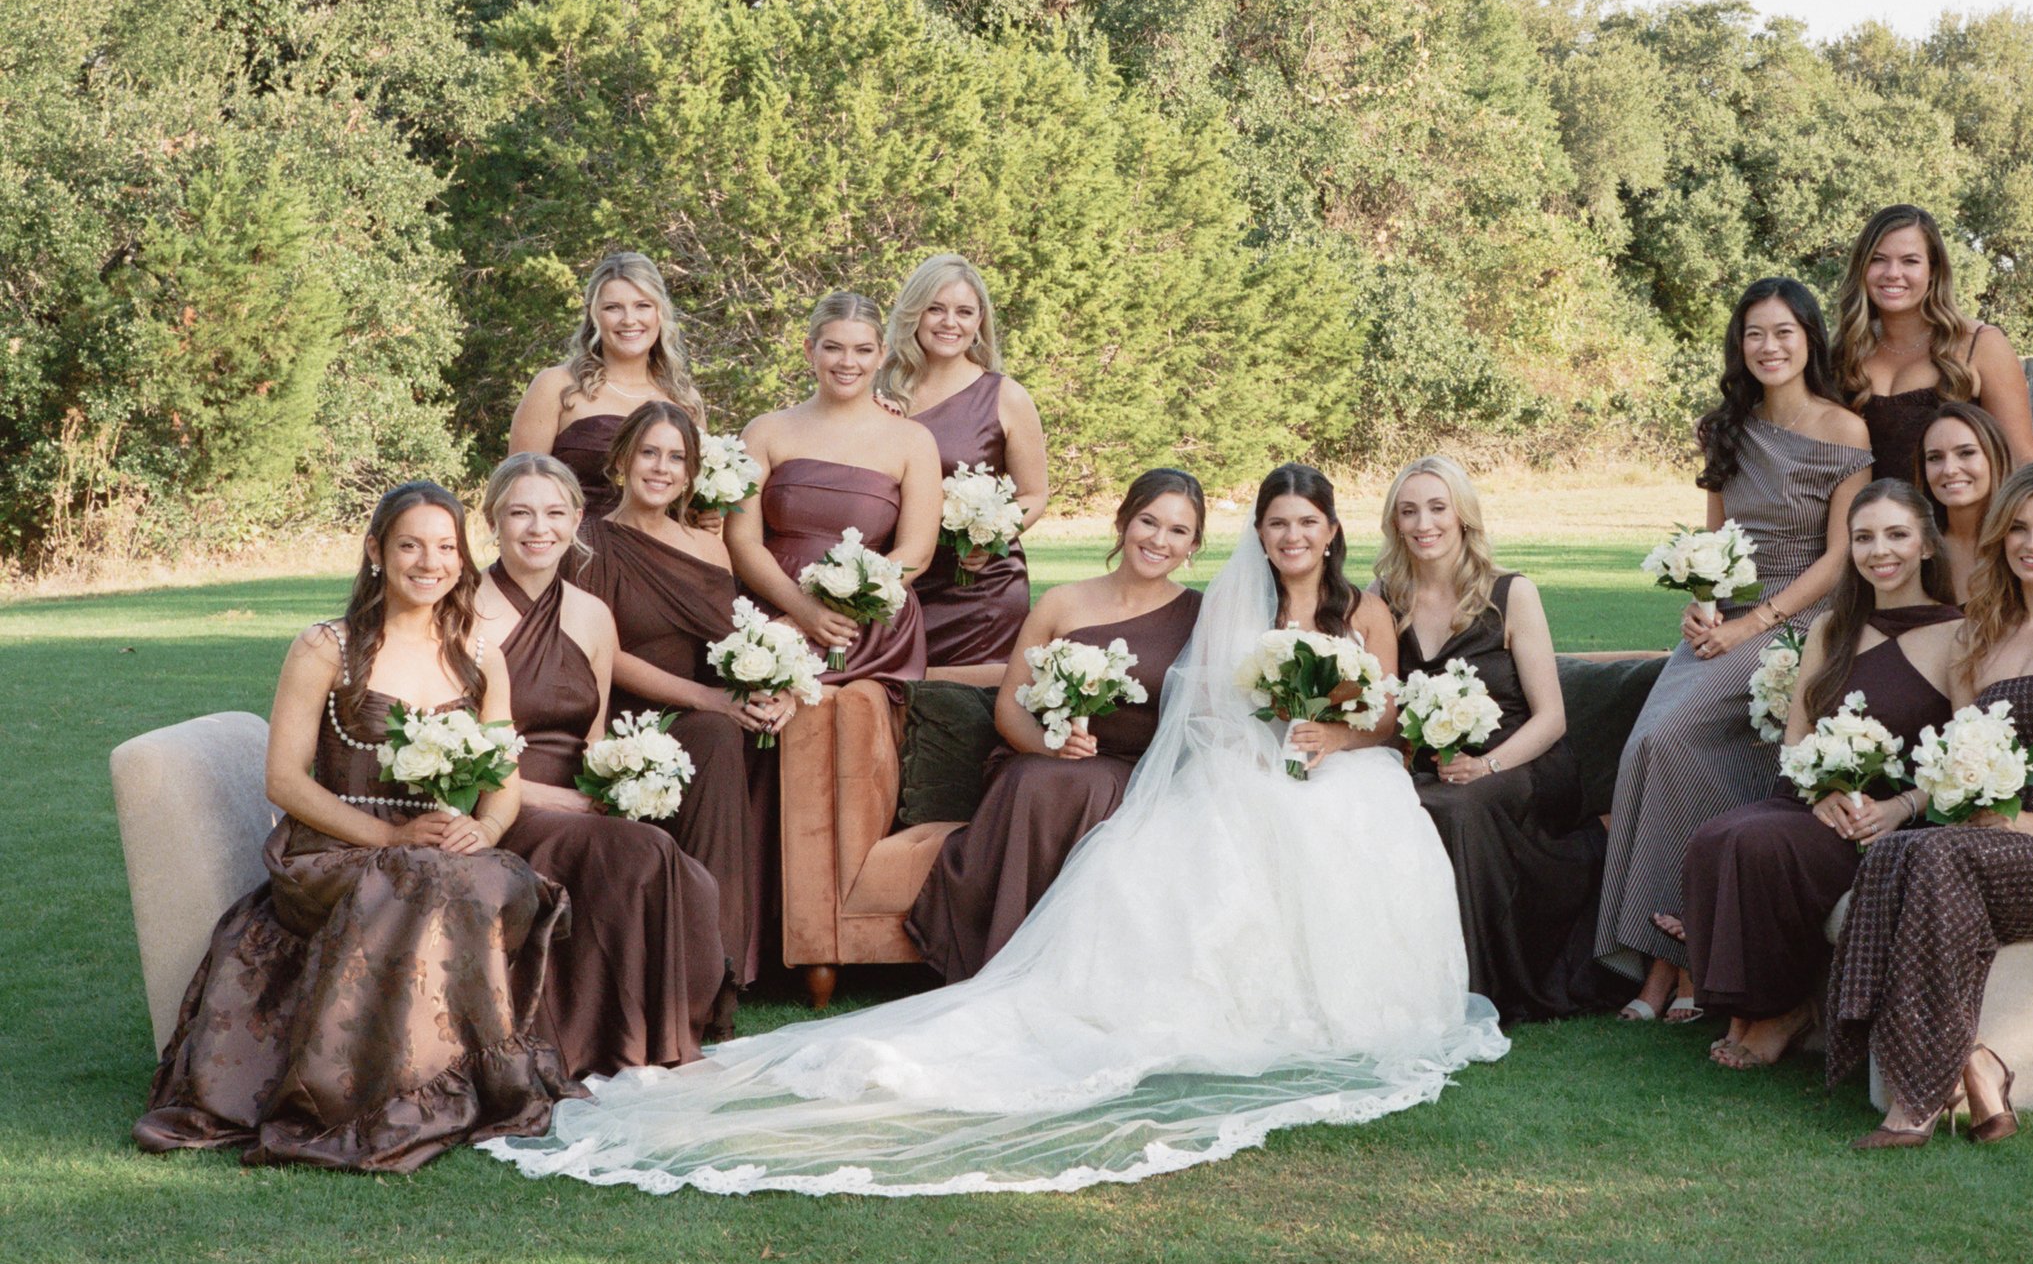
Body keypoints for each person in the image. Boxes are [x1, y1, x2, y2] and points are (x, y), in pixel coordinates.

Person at [480, 463, 1506, 1197]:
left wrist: (1322, 734)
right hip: (1232, 767)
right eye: (1276, 523)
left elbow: (1377, 710)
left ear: (1329, 531)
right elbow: (1192, 706)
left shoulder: (1356, 608)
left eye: (1305, 524)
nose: (1291, 537)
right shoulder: (1214, 612)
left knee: (1344, 816)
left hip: (1324, 765)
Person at [137, 482, 574, 1171]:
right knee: (422, 879)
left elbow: (505, 785)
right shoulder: (327, 648)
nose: (428, 562)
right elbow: (283, 779)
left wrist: (484, 833)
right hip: (336, 849)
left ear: (462, 559)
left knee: (484, 883)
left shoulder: (479, 652)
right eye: (410, 545)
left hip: (443, 850)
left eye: (444, 547)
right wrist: (391, 840)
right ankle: (379, 1100)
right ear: (376, 551)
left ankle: (455, 1085)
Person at [1828, 462, 2033, 1148]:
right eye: (2018, 529)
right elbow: (1963, 756)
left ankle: (1912, 1105)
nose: (2032, 543)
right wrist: (1945, 805)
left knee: (1938, 859)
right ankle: (1976, 1070)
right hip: (1997, 846)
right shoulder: (1986, 632)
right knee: (1897, 853)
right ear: (2000, 538)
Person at [1594, 278, 1873, 1022]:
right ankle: (1663, 965)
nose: (1769, 347)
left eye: (1784, 332)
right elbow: (1715, 541)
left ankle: (1684, 967)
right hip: (1726, 624)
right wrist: (1705, 600)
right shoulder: (1727, 427)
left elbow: (1843, 554)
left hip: (1798, 622)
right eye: (1754, 333)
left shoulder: (1845, 431)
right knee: (1652, 747)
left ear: (1809, 338)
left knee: (1676, 739)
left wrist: (1754, 625)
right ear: (1738, 344)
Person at [1668, 481, 1960, 1068]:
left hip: (1886, 821)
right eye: (1864, 537)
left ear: (1927, 545)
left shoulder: (1960, 635)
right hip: (1811, 800)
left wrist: (1901, 807)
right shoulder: (1832, 627)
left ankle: (1783, 1011)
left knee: (1759, 844)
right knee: (1712, 838)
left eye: (1898, 535)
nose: (1881, 551)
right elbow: (1798, 733)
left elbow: (1961, 755)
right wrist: (1819, 787)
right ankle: (1748, 1009)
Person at [474, 453, 732, 1069]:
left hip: (581, 803)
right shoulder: (466, 610)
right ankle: (618, 1043)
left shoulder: (591, 614)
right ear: (493, 521)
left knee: (680, 870)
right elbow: (464, 754)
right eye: (521, 513)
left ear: (577, 520)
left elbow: (591, 739)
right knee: (644, 853)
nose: (539, 528)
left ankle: (652, 1029)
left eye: (555, 512)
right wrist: (558, 801)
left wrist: (617, 787)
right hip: (504, 802)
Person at [908, 469, 1205, 982]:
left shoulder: (1201, 616)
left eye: (1178, 531)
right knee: (1042, 779)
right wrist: (1051, 746)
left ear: (1194, 544)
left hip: (1137, 772)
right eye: (1148, 522)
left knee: (1088, 784)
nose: (1159, 540)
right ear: (1123, 522)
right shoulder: (1061, 602)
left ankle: (1068, 972)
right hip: (1045, 757)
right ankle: (1001, 963)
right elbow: (1010, 709)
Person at [1373, 455, 1625, 1022]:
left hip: (1525, 762)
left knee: (1456, 807)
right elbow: (1383, 706)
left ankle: (1478, 989)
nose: (1424, 524)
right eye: (1408, 511)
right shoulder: (1383, 597)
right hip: (1435, 762)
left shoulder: (1510, 593)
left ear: (1463, 515)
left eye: (1438, 508)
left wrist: (1487, 766)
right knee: (1395, 804)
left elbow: (1551, 718)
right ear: (1394, 523)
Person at [579, 401, 794, 994]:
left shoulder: (709, 546)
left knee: (723, 736)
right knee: (716, 730)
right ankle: (685, 969)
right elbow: (605, 653)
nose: (661, 468)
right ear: (622, 459)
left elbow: (733, 640)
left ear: (692, 472)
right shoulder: (590, 543)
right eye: (649, 452)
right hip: (622, 715)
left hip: (707, 717)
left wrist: (773, 689)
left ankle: (710, 969)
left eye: (677, 457)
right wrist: (707, 698)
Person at [730, 290, 939, 690]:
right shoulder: (765, 431)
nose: (848, 363)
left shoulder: (913, 440)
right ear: (810, 350)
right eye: (833, 348)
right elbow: (741, 540)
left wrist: (850, 608)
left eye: (862, 350)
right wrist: (802, 611)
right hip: (775, 610)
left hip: (868, 627)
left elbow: (918, 551)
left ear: (882, 353)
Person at [878, 253, 1051, 676]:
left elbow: (1035, 494)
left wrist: (991, 534)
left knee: (963, 718)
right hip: (895, 581)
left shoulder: (1005, 396)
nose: (948, 322)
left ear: (979, 321)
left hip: (977, 589)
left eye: (963, 312)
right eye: (935, 308)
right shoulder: (877, 392)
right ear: (914, 313)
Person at [1832, 205, 2033, 486]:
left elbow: (2023, 463)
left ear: (1933, 270)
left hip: (1961, 528)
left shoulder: (1980, 345)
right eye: (1878, 259)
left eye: (1910, 261)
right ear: (1862, 267)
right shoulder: (1841, 354)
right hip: (1865, 528)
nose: (1893, 273)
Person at [508, 251, 707, 535]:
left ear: (659, 312)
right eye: (613, 307)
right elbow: (516, 489)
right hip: (571, 553)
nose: (629, 319)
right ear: (593, 314)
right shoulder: (556, 386)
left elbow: (692, 501)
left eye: (642, 306)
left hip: (659, 558)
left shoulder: (686, 400)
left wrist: (705, 516)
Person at [1918, 400, 2015, 602]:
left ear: (1995, 456)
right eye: (1935, 458)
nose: (1950, 470)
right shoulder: (1917, 548)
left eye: (1966, 453)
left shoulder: (2023, 541)